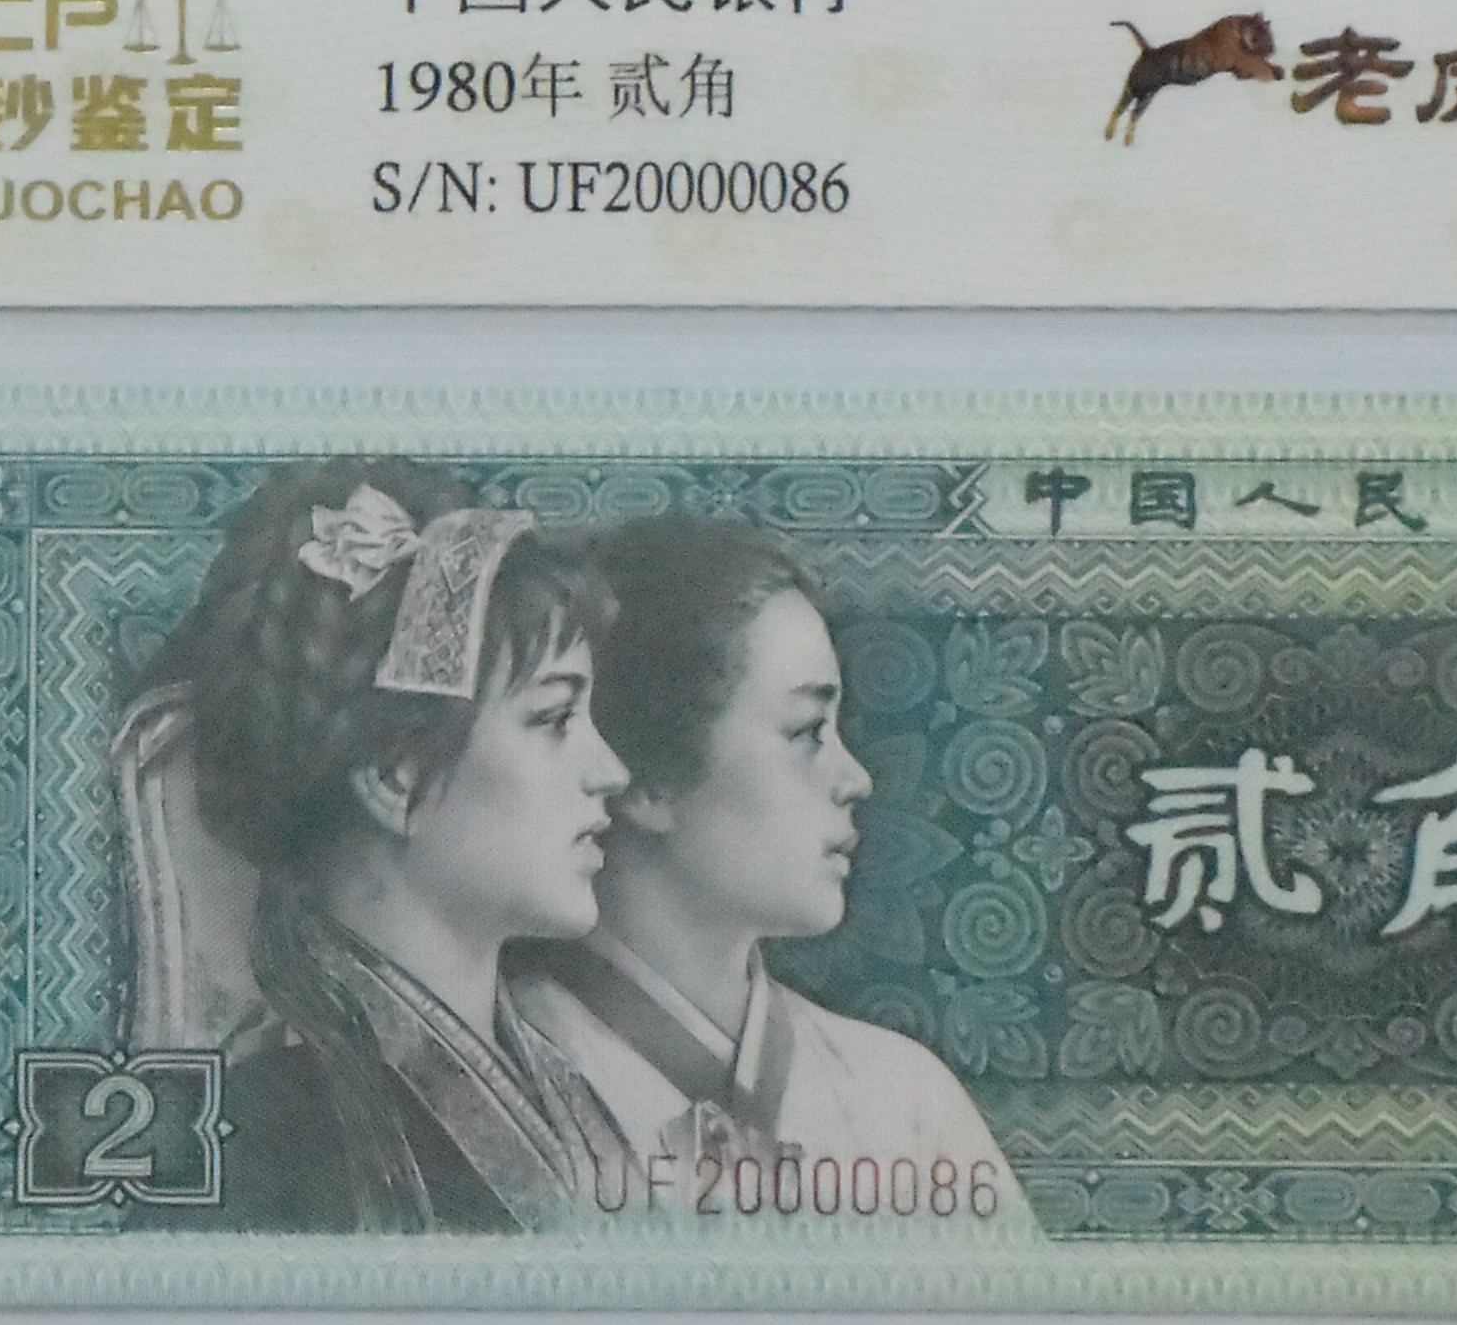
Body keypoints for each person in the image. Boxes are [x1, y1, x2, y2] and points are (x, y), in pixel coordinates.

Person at [123, 457, 640, 1233]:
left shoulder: (565, 1088)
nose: (611, 772)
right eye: (552, 718)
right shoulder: (262, 1142)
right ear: (399, 775)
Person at [512, 516, 1025, 1221]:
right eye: (806, 732)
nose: (856, 780)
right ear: (646, 780)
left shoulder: (905, 1101)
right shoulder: (498, 1086)